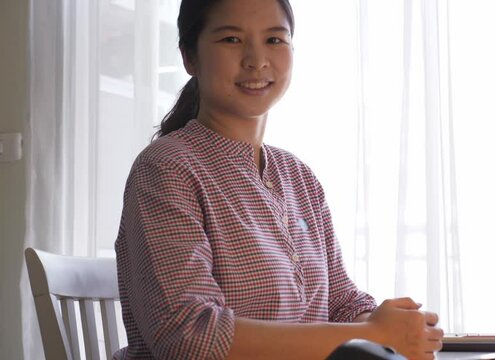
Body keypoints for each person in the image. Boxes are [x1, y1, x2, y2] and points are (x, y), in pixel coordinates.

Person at [114, 0, 444, 359]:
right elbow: (190, 336)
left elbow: (341, 302)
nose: (256, 60)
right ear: (189, 57)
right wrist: (373, 333)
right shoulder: (167, 168)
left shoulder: (299, 177)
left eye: (274, 40)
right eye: (231, 40)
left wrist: (393, 327)